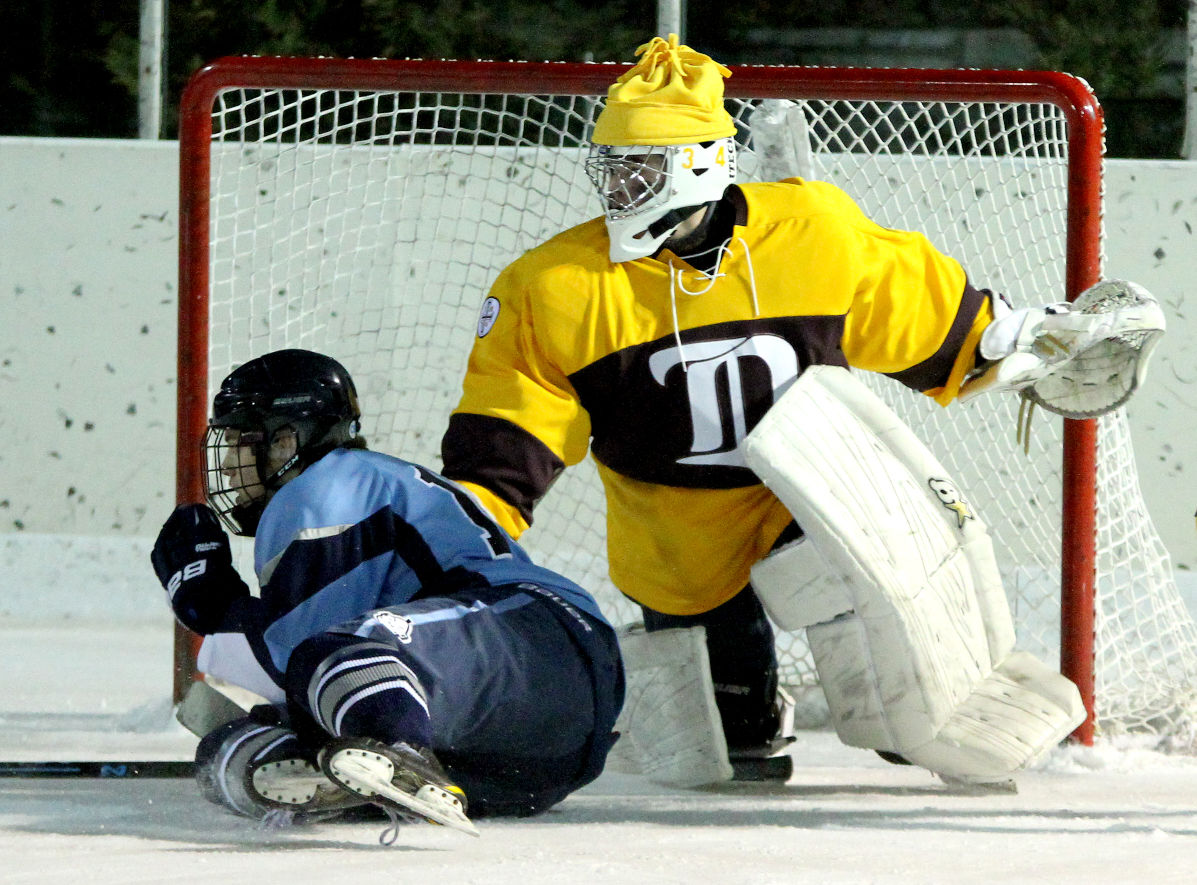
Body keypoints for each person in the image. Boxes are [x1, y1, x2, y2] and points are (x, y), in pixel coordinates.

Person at [438, 35, 1157, 777]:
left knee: (893, 686)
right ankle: (753, 705)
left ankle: (920, 710)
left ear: (698, 163)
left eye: (640, 170)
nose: (619, 190)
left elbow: (915, 310)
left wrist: (1010, 340)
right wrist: (468, 515)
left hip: (805, 501)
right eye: (612, 172)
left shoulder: (809, 232)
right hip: (672, 528)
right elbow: (513, 421)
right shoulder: (554, 284)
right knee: (727, 741)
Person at [151, 348, 624, 833]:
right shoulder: (361, 481)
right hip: (542, 753)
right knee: (228, 751)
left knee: (328, 661)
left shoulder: (322, 488)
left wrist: (215, 604)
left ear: (285, 440)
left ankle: (397, 751)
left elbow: (298, 660)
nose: (229, 469)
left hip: (538, 639)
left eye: (241, 443)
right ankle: (384, 764)